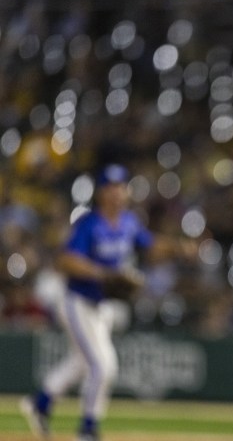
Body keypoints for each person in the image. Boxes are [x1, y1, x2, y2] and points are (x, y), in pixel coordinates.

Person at [20, 163, 196, 441]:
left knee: (81, 362)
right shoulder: (89, 223)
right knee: (104, 366)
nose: (116, 192)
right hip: (77, 301)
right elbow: (65, 260)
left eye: (120, 186)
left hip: (100, 304)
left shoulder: (128, 222)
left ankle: (39, 404)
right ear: (101, 192)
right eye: (110, 186)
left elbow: (150, 244)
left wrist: (177, 247)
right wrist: (103, 273)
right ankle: (87, 428)